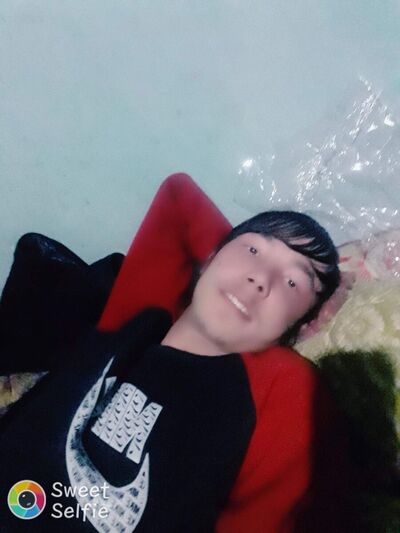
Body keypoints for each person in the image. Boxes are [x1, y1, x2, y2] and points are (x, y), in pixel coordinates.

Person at [0, 173, 351, 532]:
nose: (261, 278)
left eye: (293, 282)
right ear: (210, 256)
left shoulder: (268, 391)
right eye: (253, 250)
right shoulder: (135, 323)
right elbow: (178, 194)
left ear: (303, 326)